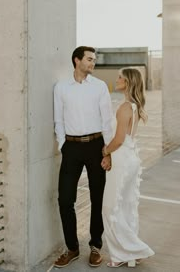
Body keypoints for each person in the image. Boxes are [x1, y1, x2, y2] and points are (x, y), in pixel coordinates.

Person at [53, 46, 113, 268]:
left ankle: (96, 246)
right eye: (89, 59)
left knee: (98, 197)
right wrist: (63, 146)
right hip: (72, 147)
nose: (93, 63)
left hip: (96, 145)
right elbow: (58, 120)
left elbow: (107, 120)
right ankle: (72, 248)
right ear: (76, 61)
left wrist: (107, 152)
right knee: (65, 199)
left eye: (94, 59)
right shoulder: (61, 88)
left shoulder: (99, 87)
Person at [101, 67, 155, 268]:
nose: (116, 80)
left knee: (110, 208)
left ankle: (126, 252)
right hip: (130, 158)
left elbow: (118, 139)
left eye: (120, 78)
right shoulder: (134, 106)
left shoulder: (124, 107)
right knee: (125, 207)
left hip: (122, 160)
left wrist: (105, 152)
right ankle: (129, 251)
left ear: (128, 82)